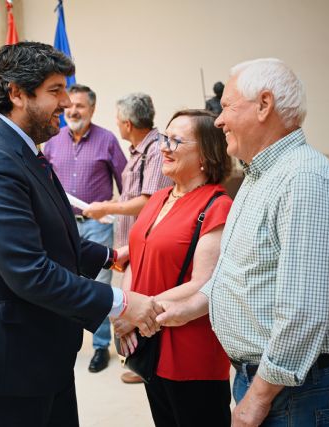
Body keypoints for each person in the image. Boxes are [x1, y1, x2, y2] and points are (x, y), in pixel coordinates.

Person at [0, 41, 163, 427]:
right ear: (16, 93)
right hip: (2, 360)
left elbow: (48, 230)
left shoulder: (21, 148)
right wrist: (121, 302)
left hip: (34, 350)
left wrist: (110, 256)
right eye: (55, 91)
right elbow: (29, 271)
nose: (67, 103)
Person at [157, 58, 329, 427]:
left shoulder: (305, 180)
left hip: (294, 390)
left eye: (228, 107)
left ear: (264, 105)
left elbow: (303, 310)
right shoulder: (259, 176)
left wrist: (258, 398)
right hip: (266, 380)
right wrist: (188, 310)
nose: (218, 120)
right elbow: (238, 271)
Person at [115, 109, 233, 426]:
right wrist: (126, 308)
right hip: (150, 341)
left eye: (176, 140)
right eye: (164, 137)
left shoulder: (216, 206)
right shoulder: (159, 197)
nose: (163, 147)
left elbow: (202, 282)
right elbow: (135, 259)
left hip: (190, 350)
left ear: (207, 154)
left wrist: (138, 313)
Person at [83, 92, 171, 384]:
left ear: (129, 123)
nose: (117, 125)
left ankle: (149, 366)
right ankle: (141, 364)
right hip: (131, 243)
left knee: (142, 305)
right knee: (131, 305)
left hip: (146, 243)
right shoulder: (138, 151)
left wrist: (106, 207)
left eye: (119, 120)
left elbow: (149, 202)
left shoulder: (156, 150)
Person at [44, 83, 127, 374]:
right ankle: (63, 340)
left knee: (99, 287)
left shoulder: (107, 140)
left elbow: (126, 187)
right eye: (69, 106)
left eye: (80, 106)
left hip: (97, 227)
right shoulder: (53, 141)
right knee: (61, 282)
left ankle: (101, 346)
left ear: (92, 108)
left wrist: (116, 216)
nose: (73, 111)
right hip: (62, 227)